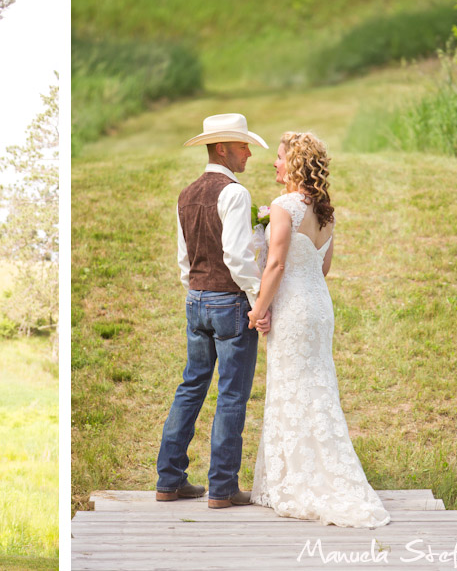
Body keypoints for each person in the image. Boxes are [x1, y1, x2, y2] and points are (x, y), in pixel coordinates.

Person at [247, 131, 391, 528]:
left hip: (292, 308)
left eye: (278, 158)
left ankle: (294, 480)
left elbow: (275, 266)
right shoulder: (326, 211)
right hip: (318, 305)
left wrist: (258, 309)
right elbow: (323, 268)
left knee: (290, 386)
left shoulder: (282, 207)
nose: (274, 163)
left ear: (294, 163)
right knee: (317, 385)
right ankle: (323, 472)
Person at [156, 113, 270, 508]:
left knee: (190, 387)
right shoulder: (235, 193)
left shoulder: (186, 193)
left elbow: (183, 259)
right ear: (222, 148)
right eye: (243, 146)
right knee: (232, 395)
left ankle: (168, 481)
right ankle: (222, 487)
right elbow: (238, 258)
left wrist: (196, 293)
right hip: (230, 303)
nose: (249, 153)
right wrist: (258, 301)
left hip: (197, 300)